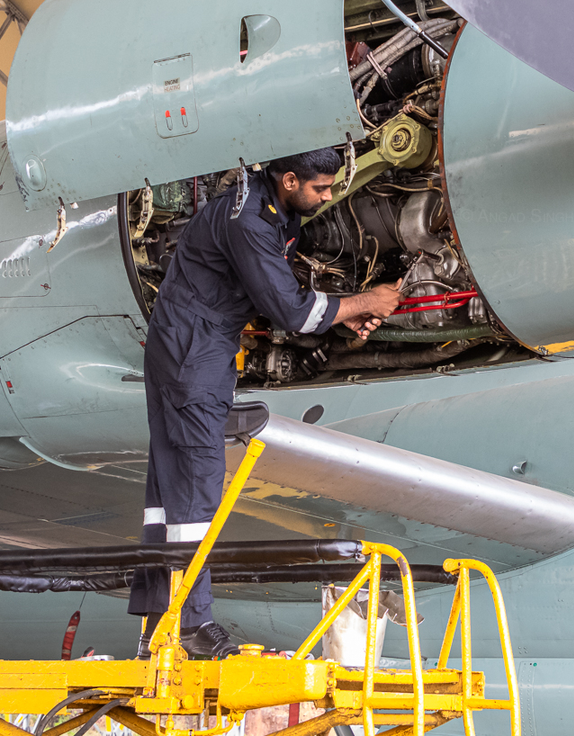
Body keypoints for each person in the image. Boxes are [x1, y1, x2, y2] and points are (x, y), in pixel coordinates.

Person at [129, 147, 401, 658]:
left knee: (166, 491)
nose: (328, 197)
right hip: (196, 350)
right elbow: (291, 310)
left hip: (181, 342)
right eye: (321, 189)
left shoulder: (259, 204)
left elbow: (281, 296)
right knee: (196, 486)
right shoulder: (250, 222)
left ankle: (155, 625)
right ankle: (189, 625)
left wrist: (342, 315)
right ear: (291, 179)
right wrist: (368, 301)